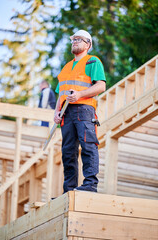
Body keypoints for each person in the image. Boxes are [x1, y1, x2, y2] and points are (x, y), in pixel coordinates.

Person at [54, 30, 106, 193]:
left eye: (79, 39)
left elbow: (101, 86)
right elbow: (60, 93)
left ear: (88, 44)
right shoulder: (66, 67)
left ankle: (90, 184)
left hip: (84, 110)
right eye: (73, 39)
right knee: (67, 152)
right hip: (66, 114)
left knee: (88, 146)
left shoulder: (92, 62)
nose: (75, 41)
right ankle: (69, 190)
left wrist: (80, 95)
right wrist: (56, 112)